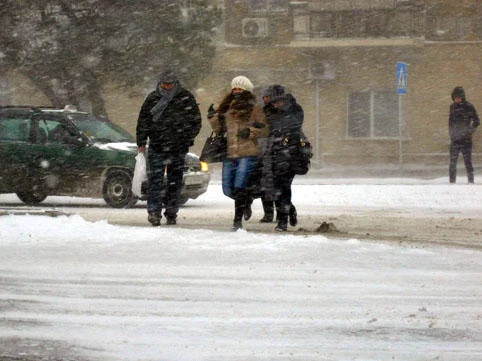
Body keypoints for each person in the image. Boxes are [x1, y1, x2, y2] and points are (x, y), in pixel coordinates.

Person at [136, 70, 201, 226]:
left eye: (170, 84)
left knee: (174, 182)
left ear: (175, 83)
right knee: (155, 181)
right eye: (165, 84)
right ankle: (154, 212)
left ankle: (171, 212)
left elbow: (196, 121)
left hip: (178, 147)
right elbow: (143, 120)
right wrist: (141, 142)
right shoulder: (153, 98)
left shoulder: (185, 98)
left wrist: (187, 138)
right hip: (157, 146)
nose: (167, 87)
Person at [208, 75, 268, 231]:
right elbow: (219, 130)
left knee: (240, 185)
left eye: (240, 88)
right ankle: (246, 201)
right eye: (234, 88)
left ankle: (237, 221)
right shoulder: (226, 107)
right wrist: (213, 118)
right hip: (230, 152)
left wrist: (250, 132)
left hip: (248, 152)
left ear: (246, 90)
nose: (236, 91)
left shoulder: (255, 108)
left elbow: (265, 129)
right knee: (228, 189)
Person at [262, 85, 303, 232]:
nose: (274, 104)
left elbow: (295, 127)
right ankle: (289, 210)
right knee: (276, 187)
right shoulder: (268, 110)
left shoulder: (294, 109)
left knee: (284, 186)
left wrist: (282, 132)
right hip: (274, 152)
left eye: (277, 102)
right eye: (272, 102)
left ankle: (282, 220)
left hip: (290, 153)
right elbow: (264, 127)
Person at [449, 86, 479, 184]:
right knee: (452, 162)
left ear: (462, 97)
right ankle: (452, 182)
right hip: (455, 139)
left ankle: (471, 181)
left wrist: (469, 131)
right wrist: (451, 133)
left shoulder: (469, 107)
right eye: (455, 97)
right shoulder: (452, 107)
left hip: (466, 140)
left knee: (468, 162)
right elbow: (451, 121)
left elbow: (476, 121)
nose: (457, 99)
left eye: (458, 97)